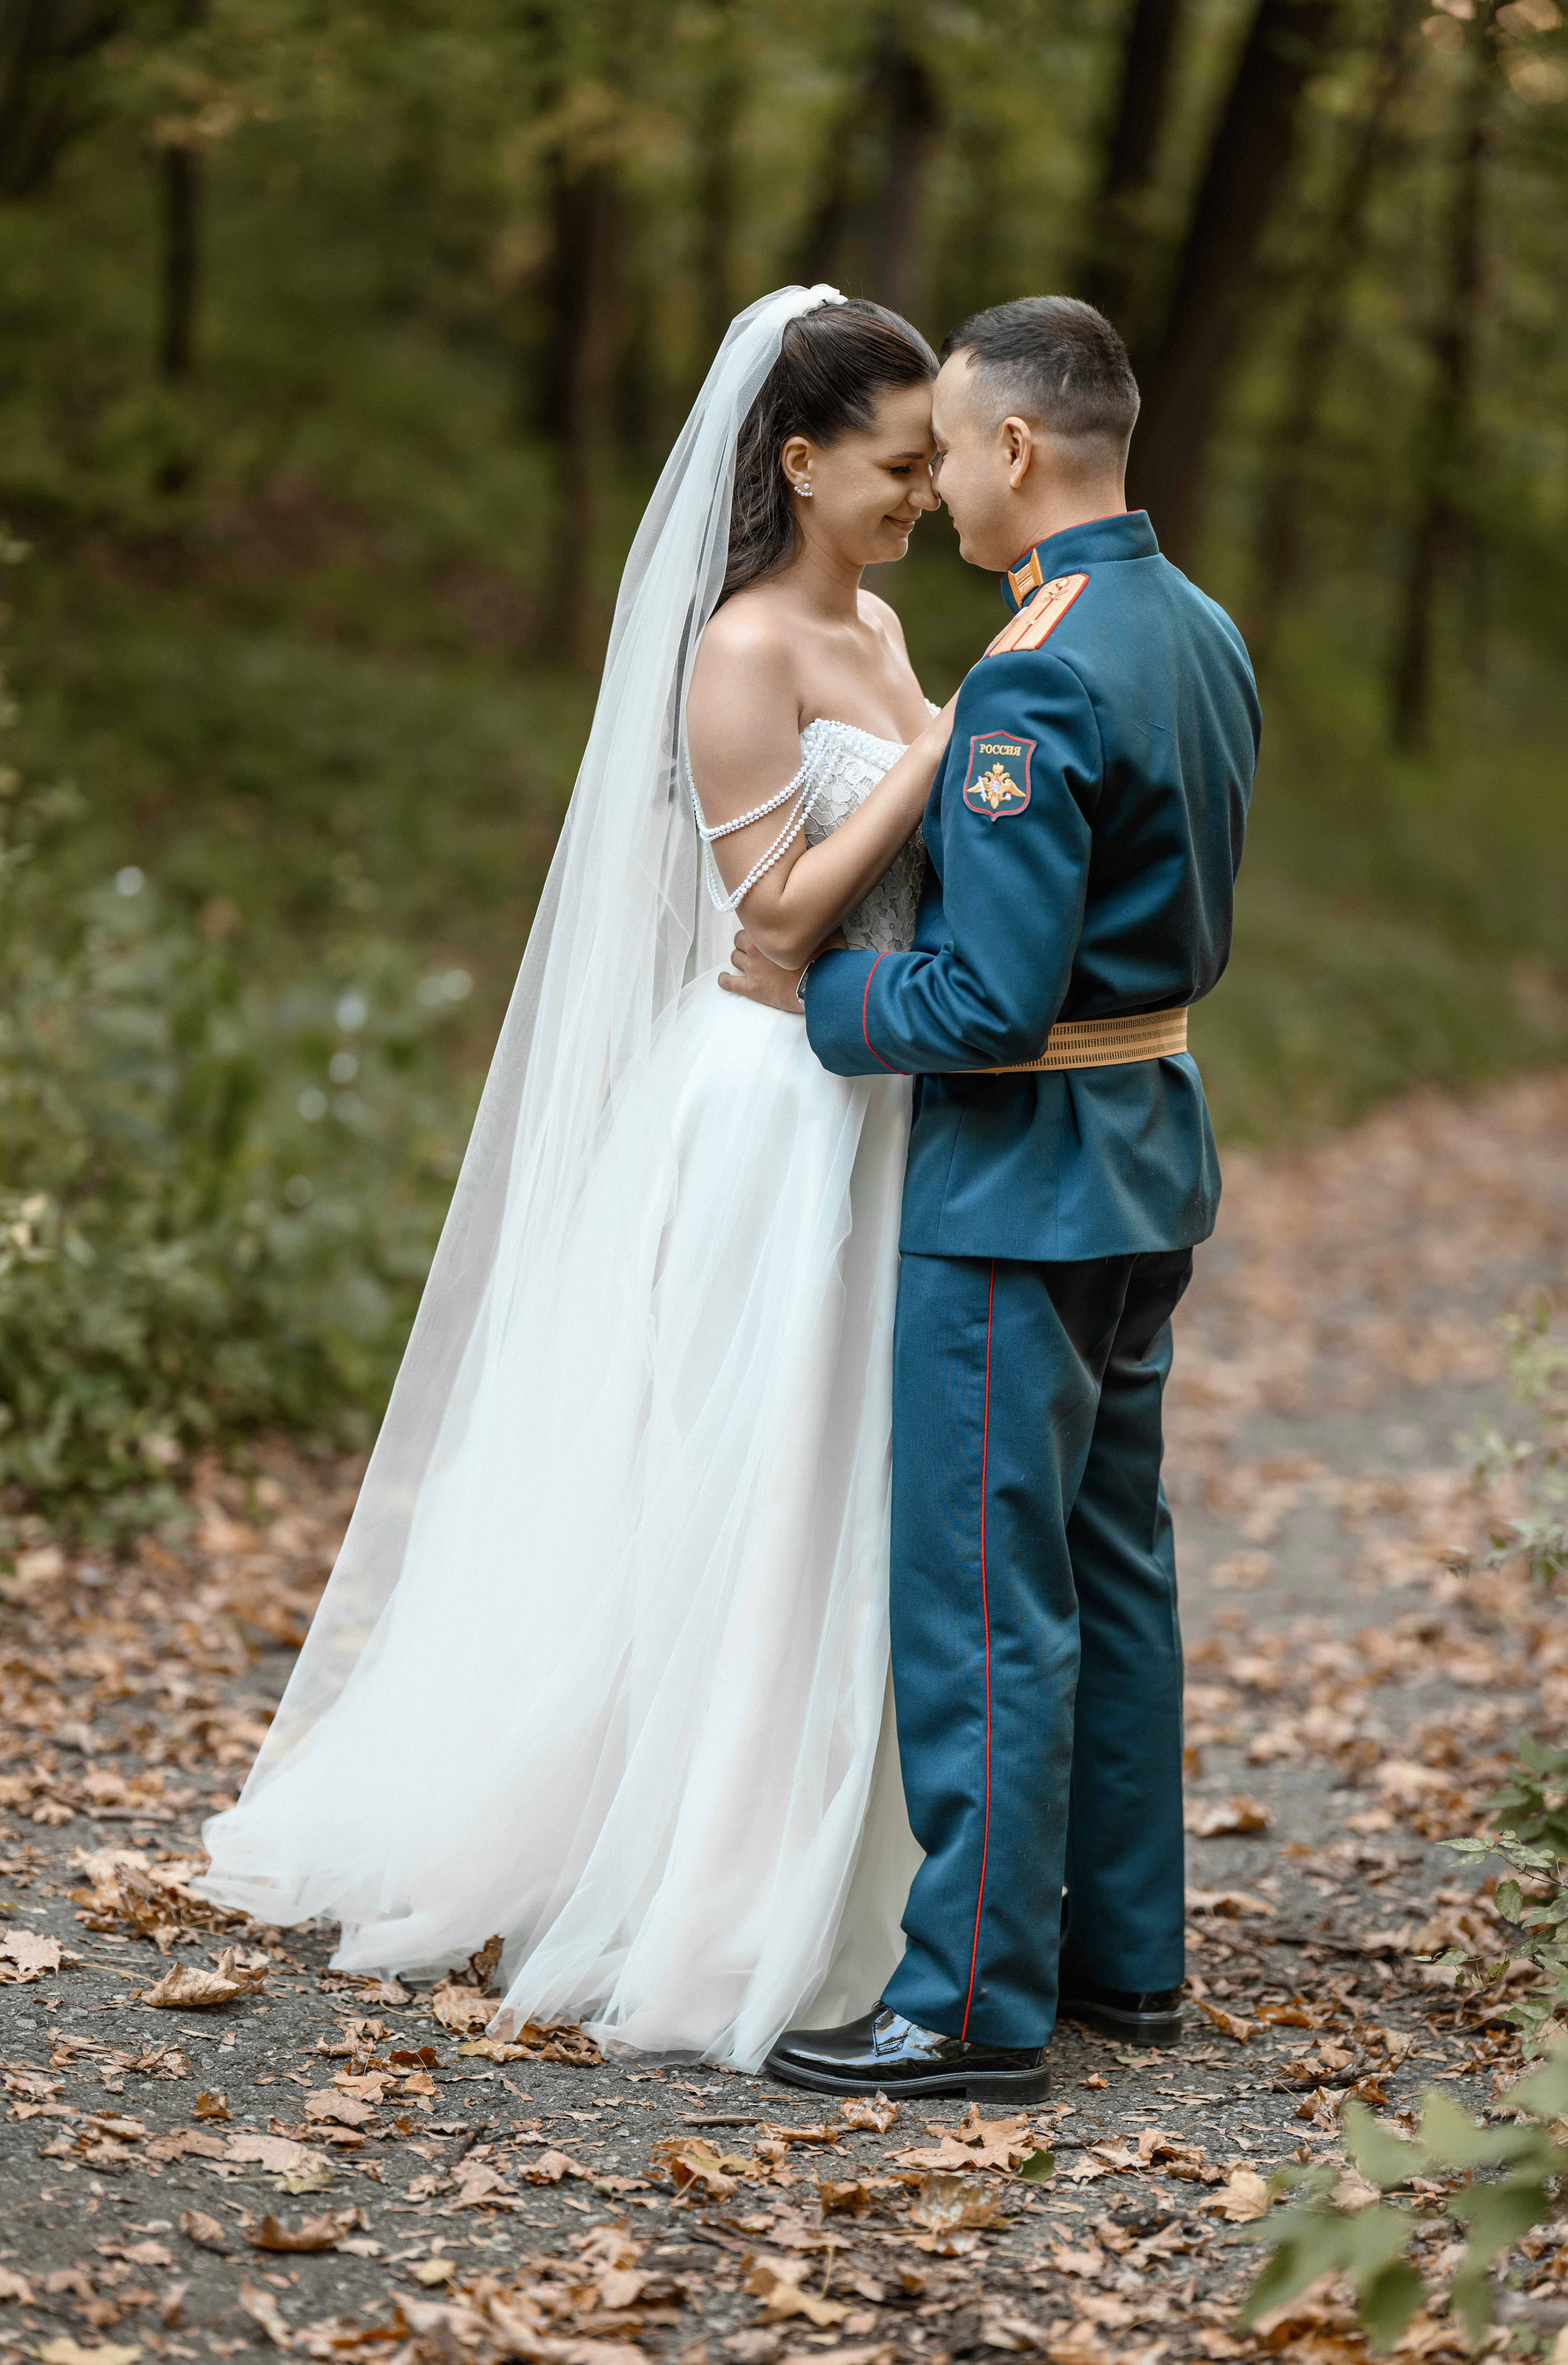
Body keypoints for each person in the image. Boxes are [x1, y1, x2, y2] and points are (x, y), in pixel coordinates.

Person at [196, 288, 961, 2072]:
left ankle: (854, 1858)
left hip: (886, 1087)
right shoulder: (740, 652)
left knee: (848, 1482)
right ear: (799, 458)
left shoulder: (892, 621)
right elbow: (771, 909)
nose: (921, 493)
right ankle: (691, 1874)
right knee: (743, 1471)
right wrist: (933, 758)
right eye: (897, 462)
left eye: (932, 464)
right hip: (771, 1104)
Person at [731, 296, 1259, 2100]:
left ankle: (963, 2009)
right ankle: (1128, 1962)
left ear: (1017, 450)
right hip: (1150, 1159)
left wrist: (823, 1001)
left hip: (1020, 1187)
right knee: (1115, 1573)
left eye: (951, 447)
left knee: (987, 1601)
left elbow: (981, 1000)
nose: (940, 483)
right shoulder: (1194, 629)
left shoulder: (1035, 672)